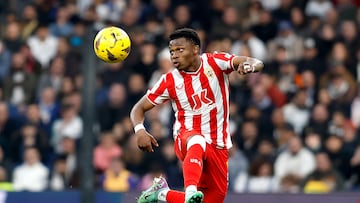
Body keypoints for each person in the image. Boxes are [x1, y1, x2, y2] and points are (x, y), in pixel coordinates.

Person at [130, 28, 264, 203]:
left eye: (180, 50)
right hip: (186, 137)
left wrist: (250, 65)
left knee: (212, 200)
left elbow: (255, 62)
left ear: (195, 49)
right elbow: (138, 109)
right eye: (171, 52)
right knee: (197, 140)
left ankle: (161, 193)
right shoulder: (169, 81)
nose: (174, 56)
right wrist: (140, 130)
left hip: (218, 144)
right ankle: (191, 189)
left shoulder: (215, 62)